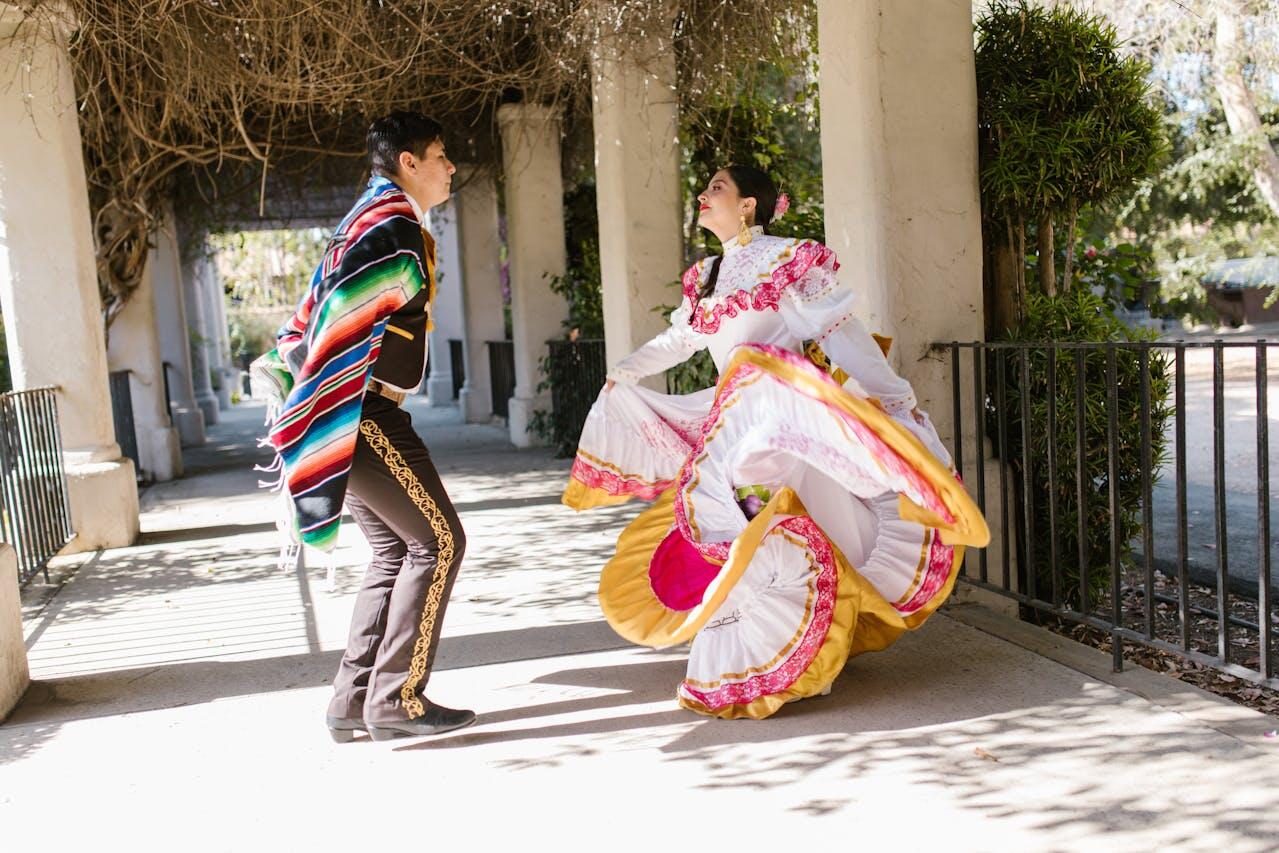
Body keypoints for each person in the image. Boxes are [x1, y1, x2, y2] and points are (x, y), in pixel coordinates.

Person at [563, 165, 989, 720]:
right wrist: (625, 370)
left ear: (747, 206)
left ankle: (776, 658)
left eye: (716, 187)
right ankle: (766, 658)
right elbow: (681, 339)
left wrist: (893, 394)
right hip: (736, 420)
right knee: (753, 533)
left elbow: (838, 331)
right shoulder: (709, 275)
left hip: (778, 415)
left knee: (751, 523)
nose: (703, 194)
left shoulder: (784, 259)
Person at [252, 112, 474, 741]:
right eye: (440, 155)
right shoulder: (393, 226)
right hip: (357, 408)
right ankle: (397, 701)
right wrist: (333, 400)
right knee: (439, 542)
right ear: (409, 161)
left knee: (394, 548)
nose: (450, 167)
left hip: (350, 406)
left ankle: (352, 701)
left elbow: (318, 316)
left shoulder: (368, 219)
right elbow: (338, 328)